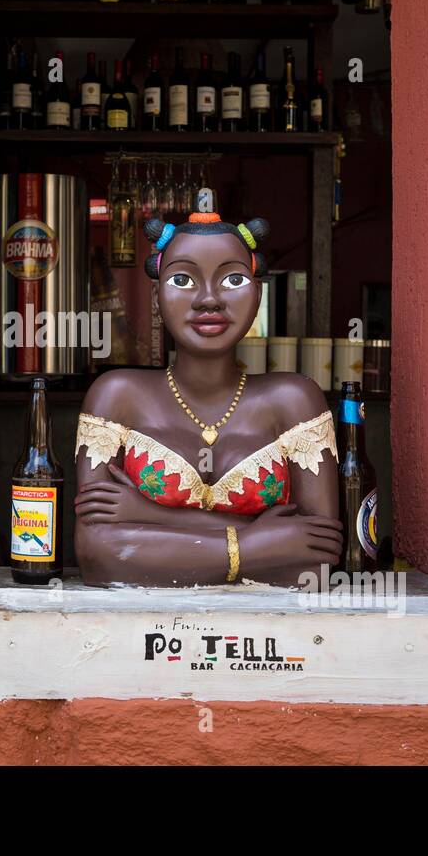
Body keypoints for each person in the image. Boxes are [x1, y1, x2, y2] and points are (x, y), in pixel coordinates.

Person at [74, 204, 344, 586]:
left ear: (257, 294)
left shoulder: (295, 400)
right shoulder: (116, 396)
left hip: (274, 633)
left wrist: (150, 515)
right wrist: (255, 544)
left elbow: (317, 557)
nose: (208, 299)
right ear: (156, 297)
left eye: (232, 280)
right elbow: (98, 555)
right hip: (133, 632)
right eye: (182, 280)